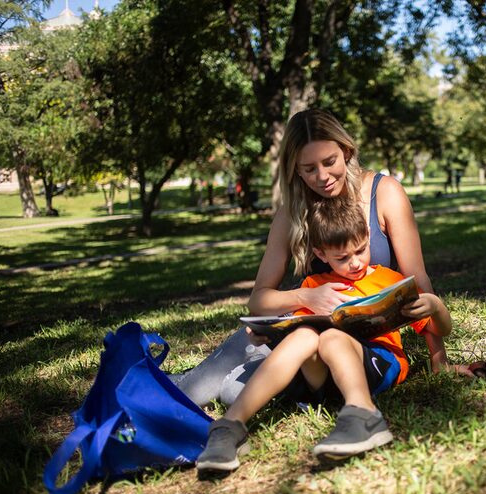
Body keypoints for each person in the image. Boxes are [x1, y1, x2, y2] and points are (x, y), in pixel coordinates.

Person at [172, 108, 465, 409]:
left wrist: (438, 358)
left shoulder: (385, 193)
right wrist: (307, 296)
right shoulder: (291, 212)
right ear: (295, 169)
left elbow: (418, 281)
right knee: (193, 390)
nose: (322, 177)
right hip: (298, 328)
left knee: (232, 393)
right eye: (309, 169)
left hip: (347, 346)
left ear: (347, 152)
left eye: (329, 162)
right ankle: (154, 388)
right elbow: (258, 300)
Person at [195, 199, 452, 470]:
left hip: (379, 362)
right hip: (321, 378)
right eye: (342, 258)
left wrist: (435, 305)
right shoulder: (315, 285)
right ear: (321, 253)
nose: (355, 263)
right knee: (304, 335)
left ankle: (364, 414)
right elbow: (295, 327)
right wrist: (266, 334)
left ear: (367, 234)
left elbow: (440, 329)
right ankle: (230, 426)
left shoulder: (388, 280)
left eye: (361, 250)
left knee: (331, 338)